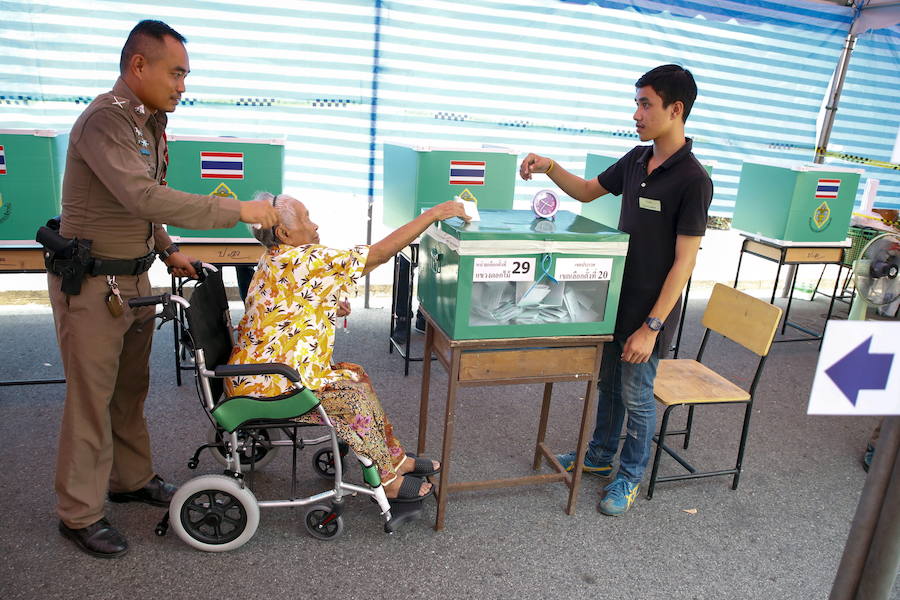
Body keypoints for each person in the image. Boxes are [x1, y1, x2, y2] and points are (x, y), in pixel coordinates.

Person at [48, 20, 279, 558]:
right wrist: (236, 210)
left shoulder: (149, 123)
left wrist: (167, 247)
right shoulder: (104, 121)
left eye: (185, 75)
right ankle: (78, 513)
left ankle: (130, 480)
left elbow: (144, 203)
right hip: (92, 286)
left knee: (130, 391)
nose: (182, 86)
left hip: (132, 279)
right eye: (176, 73)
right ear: (138, 66)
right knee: (90, 401)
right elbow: (141, 195)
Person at [519, 64, 712, 516]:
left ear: (675, 108)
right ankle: (600, 458)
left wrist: (652, 327)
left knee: (637, 396)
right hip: (615, 303)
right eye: (636, 104)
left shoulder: (693, 180)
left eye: (645, 104)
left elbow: (685, 263)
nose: (636, 114)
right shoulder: (636, 159)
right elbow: (586, 191)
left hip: (650, 314)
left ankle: (629, 475)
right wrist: (549, 166)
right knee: (607, 385)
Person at [225, 193, 469, 501]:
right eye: (305, 219)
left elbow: (286, 303)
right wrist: (433, 213)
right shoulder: (305, 258)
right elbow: (377, 254)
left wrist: (324, 306)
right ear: (285, 234)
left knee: (356, 375)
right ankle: (386, 480)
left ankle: (394, 459)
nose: (314, 225)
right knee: (351, 399)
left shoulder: (275, 256)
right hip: (273, 382)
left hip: (261, 371)